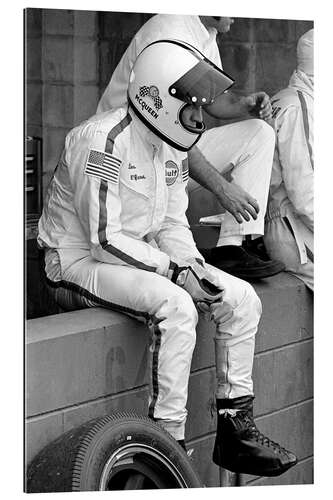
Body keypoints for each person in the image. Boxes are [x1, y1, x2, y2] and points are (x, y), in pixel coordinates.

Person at [38, 40, 297, 477]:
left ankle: (235, 429)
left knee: (241, 298)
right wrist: (177, 274)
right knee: (177, 308)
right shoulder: (101, 140)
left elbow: (172, 226)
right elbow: (104, 240)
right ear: (157, 99)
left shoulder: (172, 142)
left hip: (141, 255)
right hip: (74, 261)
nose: (200, 117)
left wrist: (192, 268)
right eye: (191, 106)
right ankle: (168, 445)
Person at [97, 14, 285, 281]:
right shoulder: (172, 31)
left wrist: (244, 104)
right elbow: (169, 127)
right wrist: (222, 188)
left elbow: (210, 102)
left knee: (259, 133)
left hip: (166, 149)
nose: (239, 17)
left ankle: (232, 247)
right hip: (127, 156)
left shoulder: (206, 30)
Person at [264, 29, 314, 290]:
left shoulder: (292, 98)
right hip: (293, 228)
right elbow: (305, 195)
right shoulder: (299, 107)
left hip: (296, 225)